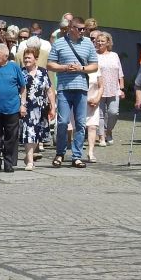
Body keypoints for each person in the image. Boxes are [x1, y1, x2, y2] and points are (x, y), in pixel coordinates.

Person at [47, 17, 98, 168]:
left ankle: (77, 156)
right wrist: (64, 68)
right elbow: (50, 64)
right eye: (80, 29)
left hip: (81, 88)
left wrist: (81, 69)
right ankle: (60, 153)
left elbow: (94, 65)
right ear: (71, 27)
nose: (83, 32)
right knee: (62, 122)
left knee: (81, 123)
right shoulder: (59, 43)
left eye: (84, 29)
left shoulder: (88, 43)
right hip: (64, 87)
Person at [0, 44, 27, 173]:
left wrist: (22, 104)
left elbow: (23, 87)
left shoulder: (14, 68)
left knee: (11, 137)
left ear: (6, 56)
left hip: (12, 108)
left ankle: (9, 162)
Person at [19, 48, 55, 170]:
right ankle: (30, 161)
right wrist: (21, 105)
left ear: (36, 59)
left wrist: (53, 107)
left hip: (41, 108)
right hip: (27, 107)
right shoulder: (21, 72)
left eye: (29, 57)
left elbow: (49, 90)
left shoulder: (43, 72)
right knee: (29, 133)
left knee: (38, 134)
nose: (26, 60)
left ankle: (28, 156)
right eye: (25, 58)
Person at [94, 32, 124, 146]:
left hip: (113, 88)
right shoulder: (94, 55)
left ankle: (109, 131)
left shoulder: (114, 55)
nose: (100, 43)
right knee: (100, 114)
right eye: (98, 41)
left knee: (113, 112)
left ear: (108, 42)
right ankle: (101, 137)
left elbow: (120, 72)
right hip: (98, 88)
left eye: (102, 41)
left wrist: (122, 88)